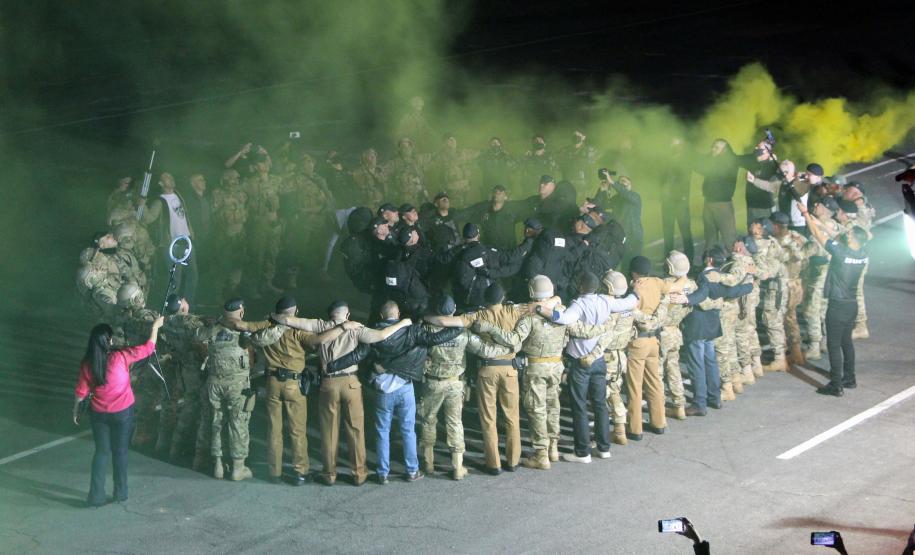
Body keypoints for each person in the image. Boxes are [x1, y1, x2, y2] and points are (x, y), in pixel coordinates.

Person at [270, 301, 412, 485]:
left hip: (328, 384)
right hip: (351, 383)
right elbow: (381, 335)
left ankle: (329, 474)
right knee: (356, 430)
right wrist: (403, 323)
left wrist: (274, 316)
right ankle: (359, 474)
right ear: (347, 314)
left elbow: (290, 320)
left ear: (330, 315)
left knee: (329, 431)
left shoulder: (320, 326)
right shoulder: (355, 328)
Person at [327, 301, 463, 484]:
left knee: (382, 431)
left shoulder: (373, 334)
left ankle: (383, 473)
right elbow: (436, 339)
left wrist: (332, 366)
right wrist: (459, 327)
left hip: (383, 391)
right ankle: (412, 470)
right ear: (398, 314)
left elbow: (357, 355)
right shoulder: (412, 331)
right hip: (405, 388)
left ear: (382, 316)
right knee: (408, 430)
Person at [424, 283, 525, 475]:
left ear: (486, 299)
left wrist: (426, 317)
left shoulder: (478, 315)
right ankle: (513, 461)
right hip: (510, 370)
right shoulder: (514, 311)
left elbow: (447, 322)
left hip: (488, 370)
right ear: (503, 298)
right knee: (512, 418)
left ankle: (493, 464)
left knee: (489, 419)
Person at [537, 272, 638, 461]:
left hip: (580, 363)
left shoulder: (578, 304)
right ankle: (604, 447)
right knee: (600, 404)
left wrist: (543, 311)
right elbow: (628, 303)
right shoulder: (605, 301)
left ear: (581, 286)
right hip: (599, 360)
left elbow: (563, 318)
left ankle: (582, 452)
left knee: (580, 406)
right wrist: (636, 292)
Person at [251, 296, 346, 485]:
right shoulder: (296, 332)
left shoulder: (267, 329)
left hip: (272, 383)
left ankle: (274, 472)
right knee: (297, 430)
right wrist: (341, 328)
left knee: (274, 429)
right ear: (294, 312)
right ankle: (300, 472)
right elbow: (318, 340)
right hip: (293, 384)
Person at [73, 315, 165, 507]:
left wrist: (76, 411)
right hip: (123, 413)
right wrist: (155, 327)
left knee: (101, 453)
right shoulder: (120, 356)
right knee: (120, 452)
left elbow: (81, 391)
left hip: (98, 414)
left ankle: (96, 496)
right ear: (109, 340)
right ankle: (120, 493)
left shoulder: (87, 363)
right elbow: (149, 348)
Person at [197, 298, 273, 481]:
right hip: (237, 385)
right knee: (238, 423)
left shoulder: (211, 329)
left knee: (217, 422)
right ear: (241, 312)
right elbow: (264, 340)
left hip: (214, 383)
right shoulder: (244, 332)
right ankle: (238, 468)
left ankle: (218, 466)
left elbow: (197, 336)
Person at [671, 248, 753, 415]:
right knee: (711, 360)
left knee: (697, 365)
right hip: (712, 324)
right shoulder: (721, 277)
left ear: (708, 260)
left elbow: (703, 292)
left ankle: (699, 403)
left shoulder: (704, 276)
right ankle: (714, 397)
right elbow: (729, 291)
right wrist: (749, 286)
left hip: (697, 325)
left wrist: (687, 299)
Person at [799, 202, 869, 396]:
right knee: (847, 342)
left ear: (854, 239)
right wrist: (815, 220)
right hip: (851, 305)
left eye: (849, 235)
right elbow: (829, 236)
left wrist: (806, 214)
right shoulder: (862, 254)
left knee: (833, 344)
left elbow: (820, 237)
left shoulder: (841, 252)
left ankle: (836, 384)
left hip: (837, 306)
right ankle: (850, 378)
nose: (846, 235)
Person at [140, 172, 198, 306]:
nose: (171, 179)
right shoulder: (159, 201)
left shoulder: (178, 195)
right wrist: (142, 206)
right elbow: (149, 219)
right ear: (160, 183)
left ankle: (188, 306)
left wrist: (191, 230)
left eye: (172, 177)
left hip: (187, 242)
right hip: (171, 245)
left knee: (192, 276)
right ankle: (171, 309)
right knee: (174, 280)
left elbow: (184, 215)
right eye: (167, 178)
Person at [659, 138, 695, 263]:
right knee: (668, 233)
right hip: (667, 202)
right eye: (672, 145)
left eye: (677, 145)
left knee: (685, 232)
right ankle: (667, 260)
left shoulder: (685, 161)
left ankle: (689, 259)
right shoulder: (666, 160)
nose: (673, 148)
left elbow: (684, 180)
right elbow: (662, 180)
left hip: (680, 201)